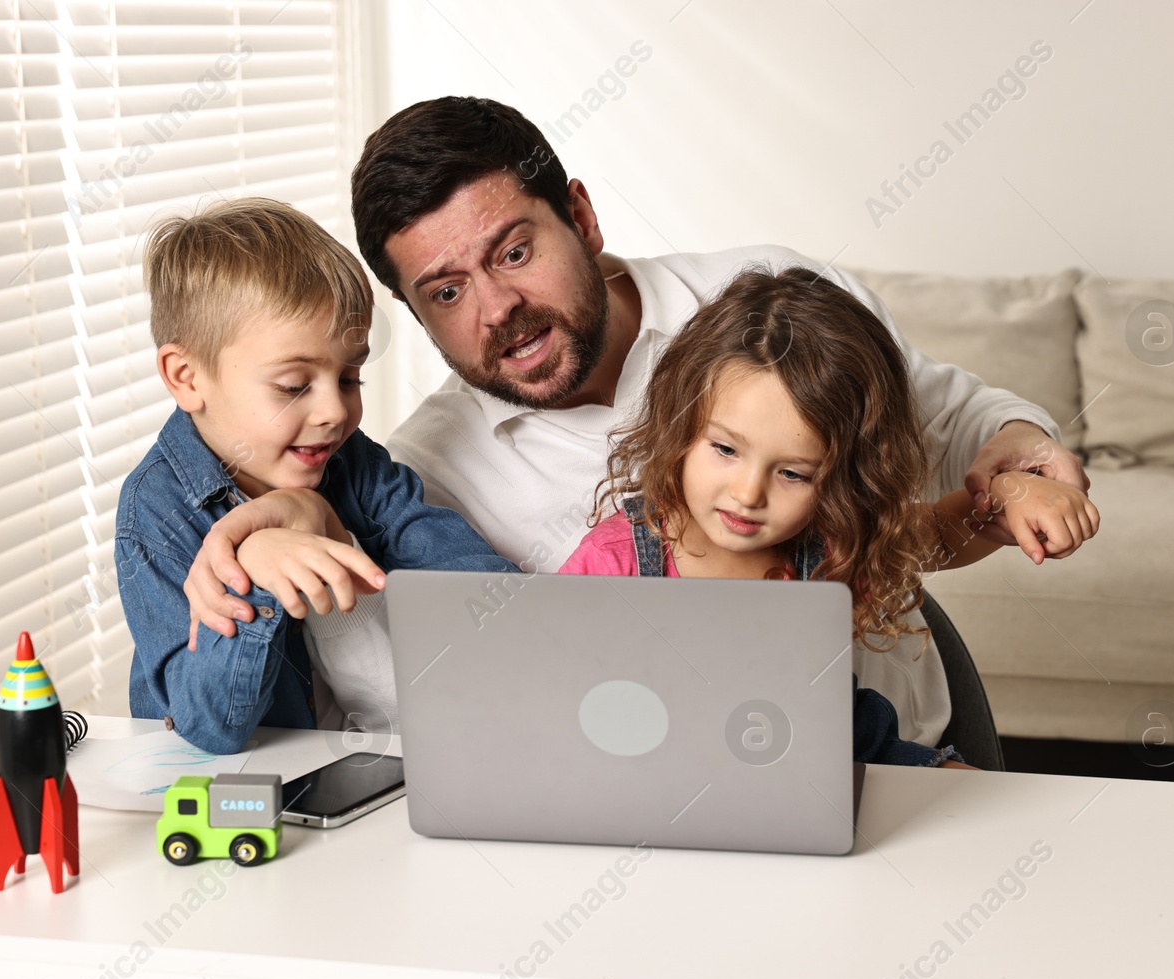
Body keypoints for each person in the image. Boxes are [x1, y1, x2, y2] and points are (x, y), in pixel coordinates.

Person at [186, 96, 1094, 747]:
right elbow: (418, 703)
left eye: (514, 250)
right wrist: (300, 523)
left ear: (580, 215)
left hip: (895, 761)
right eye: (448, 291)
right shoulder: (422, 473)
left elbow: (948, 428)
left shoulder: (767, 308)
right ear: (418, 318)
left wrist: (1016, 453)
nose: (499, 307)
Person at [559, 266, 1099, 766]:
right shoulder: (617, 560)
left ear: (843, 479)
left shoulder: (834, 540)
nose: (748, 494)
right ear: (680, 429)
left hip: (828, 760)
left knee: (971, 803)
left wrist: (1014, 490)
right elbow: (554, 678)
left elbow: (943, 529)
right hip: (666, 768)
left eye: (794, 474)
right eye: (725, 450)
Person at [115, 198, 516, 755]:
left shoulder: (351, 462)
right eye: (294, 385)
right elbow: (208, 725)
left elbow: (496, 601)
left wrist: (331, 529)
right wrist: (253, 571)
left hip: (371, 767)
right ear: (186, 377)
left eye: (350, 378)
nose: (334, 412)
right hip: (252, 790)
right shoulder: (156, 511)